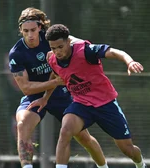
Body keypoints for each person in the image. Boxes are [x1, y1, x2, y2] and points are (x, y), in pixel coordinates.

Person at [27, 24, 147, 168]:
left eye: (60, 47)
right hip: (81, 104)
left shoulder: (85, 51)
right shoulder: (52, 60)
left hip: (105, 104)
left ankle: (140, 164)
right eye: (53, 48)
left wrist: (130, 61)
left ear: (68, 41)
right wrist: (45, 98)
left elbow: (115, 52)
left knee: (128, 150)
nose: (57, 52)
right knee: (65, 130)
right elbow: (56, 75)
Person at [9, 7, 109, 168]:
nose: (30, 35)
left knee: (83, 137)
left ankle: (103, 166)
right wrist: (54, 82)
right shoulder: (16, 53)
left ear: (40, 27)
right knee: (22, 124)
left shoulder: (51, 39)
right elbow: (26, 88)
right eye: (25, 31)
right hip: (36, 96)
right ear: (20, 30)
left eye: (33, 30)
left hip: (61, 94)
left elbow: (77, 43)